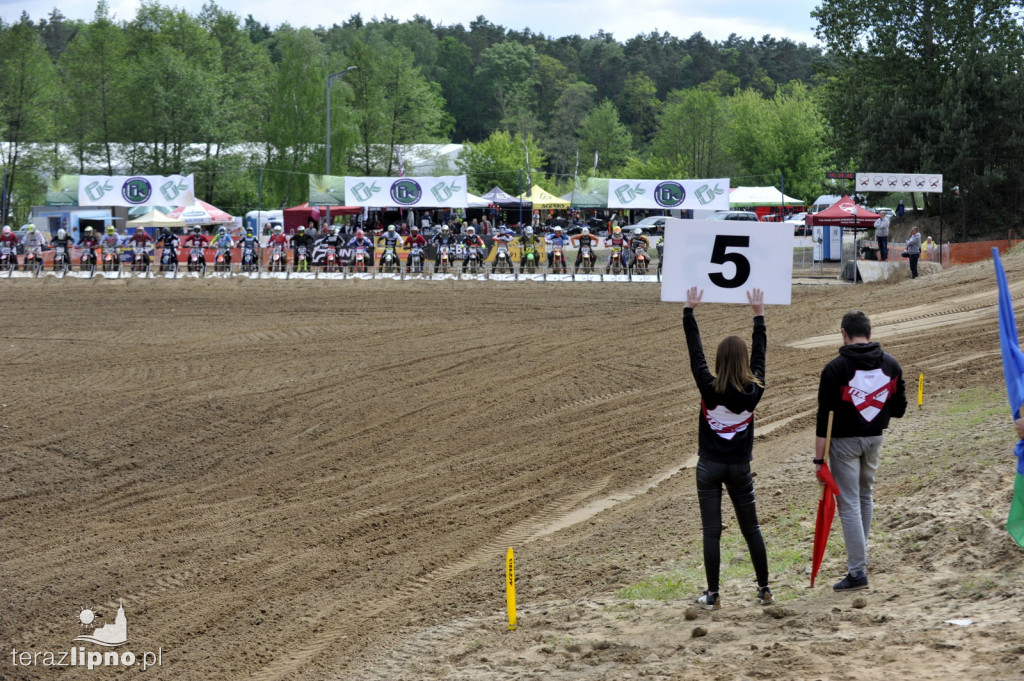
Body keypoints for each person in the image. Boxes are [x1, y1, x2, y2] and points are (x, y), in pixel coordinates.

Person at [684, 286, 773, 610]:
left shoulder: (708, 387)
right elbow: (761, 356)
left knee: (712, 533)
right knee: (752, 529)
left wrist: (689, 311)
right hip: (740, 468)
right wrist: (759, 315)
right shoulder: (754, 390)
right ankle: (764, 589)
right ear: (745, 361)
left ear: (720, 361)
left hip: (708, 467)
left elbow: (695, 353)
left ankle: (713, 595)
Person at [815, 310, 906, 592]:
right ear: (870, 332)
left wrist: (819, 460)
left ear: (844, 333)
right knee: (865, 496)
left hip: (844, 443)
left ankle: (857, 571)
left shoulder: (834, 368)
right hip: (875, 439)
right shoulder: (891, 365)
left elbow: (823, 418)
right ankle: (860, 562)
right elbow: (900, 409)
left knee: (850, 504)